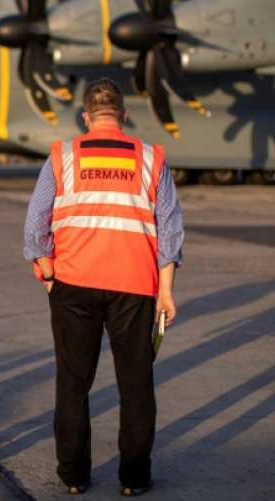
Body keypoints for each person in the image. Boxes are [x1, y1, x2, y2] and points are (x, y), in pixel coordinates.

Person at [23, 79, 184, 496]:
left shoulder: (63, 155)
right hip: (135, 286)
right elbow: (169, 230)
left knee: (73, 383)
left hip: (74, 283)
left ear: (85, 116)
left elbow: (36, 224)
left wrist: (47, 273)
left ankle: (74, 476)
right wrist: (166, 290)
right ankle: (133, 478)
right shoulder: (151, 158)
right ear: (124, 115)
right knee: (135, 383)